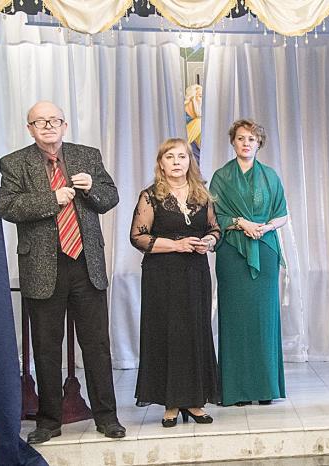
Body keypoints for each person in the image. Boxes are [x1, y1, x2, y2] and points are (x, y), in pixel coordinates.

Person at [0, 101, 125, 444]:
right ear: (30, 129)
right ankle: (49, 421)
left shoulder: (87, 155)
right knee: (46, 347)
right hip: (43, 267)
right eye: (40, 122)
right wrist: (51, 199)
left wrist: (91, 188)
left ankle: (107, 417)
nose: (49, 126)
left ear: (65, 125)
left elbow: (110, 197)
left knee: (97, 345)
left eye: (54, 120)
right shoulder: (14, 162)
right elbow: (7, 206)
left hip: (86, 264)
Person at [130, 138, 220, 426]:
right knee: (166, 335)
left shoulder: (202, 194)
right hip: (162, 276)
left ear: (189, 161)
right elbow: (138, 237)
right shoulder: (150, 196)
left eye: (182, 156)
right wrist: (176, 245)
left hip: (195, 274)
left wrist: (208, 242)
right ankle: (170, 403)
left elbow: (215, 230)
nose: (177, 162)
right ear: (161, 163)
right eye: (170, 157)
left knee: (194, 334)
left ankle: (194, 401)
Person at [209, 119, 288, 406]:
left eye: (251, 139)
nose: (246, 143)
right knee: (235, 318)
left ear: (259, 144)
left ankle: (265, 388)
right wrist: (241, 223)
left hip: (265, 249)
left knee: (264, 319)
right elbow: (214, 215)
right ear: (233, 142)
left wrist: (264, 228)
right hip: (232, 251)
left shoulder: (270, 176)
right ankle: (237, 390)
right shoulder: (221, 177)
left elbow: (282, 214)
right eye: (241, 138)